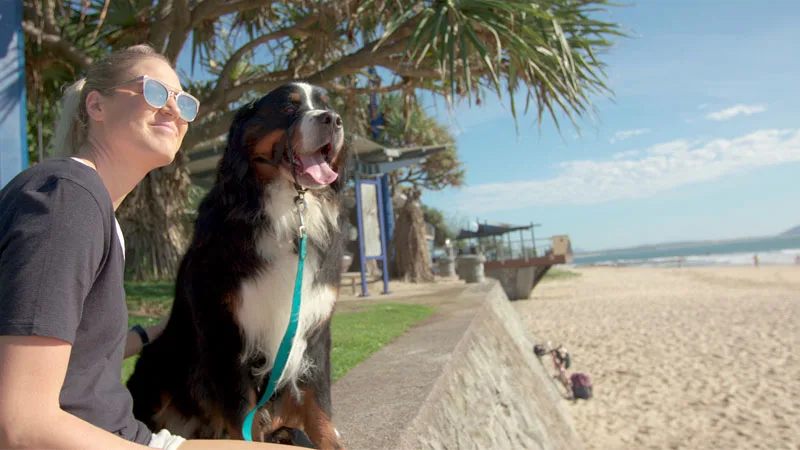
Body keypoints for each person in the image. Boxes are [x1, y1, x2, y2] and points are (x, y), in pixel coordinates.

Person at [0, 45, 293, 449]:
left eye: (183, 102)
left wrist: (160, 332)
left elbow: (74, 356)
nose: (173, 110)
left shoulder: (91, 210)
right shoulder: (68, 200)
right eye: (155, 92)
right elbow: (21, 425)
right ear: (97, 105)